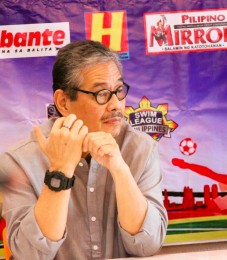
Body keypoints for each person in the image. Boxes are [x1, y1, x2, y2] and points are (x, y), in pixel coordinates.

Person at [0, 40, 168, 259]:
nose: (116, 104)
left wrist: (120, 170)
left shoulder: (140, 148)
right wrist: (60, 171)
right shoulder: (20, 160)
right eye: (101, 94)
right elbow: (30, 254)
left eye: (118, 90)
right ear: (63, 102)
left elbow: (148, 244)